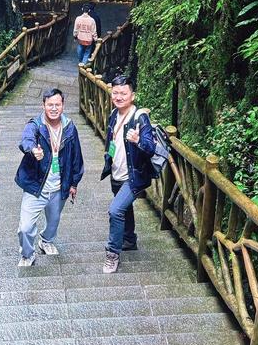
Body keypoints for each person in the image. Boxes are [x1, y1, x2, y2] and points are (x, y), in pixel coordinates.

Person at [15, 87, 84, 266]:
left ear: (63, 105)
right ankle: (27, 254)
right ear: (43, 105)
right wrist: (32, 150)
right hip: (36, 185)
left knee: (53, 221)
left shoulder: (69, 127)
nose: (54, 108)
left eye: (57, 105)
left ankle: (46, 240)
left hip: (60, 186)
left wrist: (74, 183)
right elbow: (26, 139)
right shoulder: (36, 125)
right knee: (25, 227)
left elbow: (76, 157)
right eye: (50, 104)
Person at [101, 75, 155, 273]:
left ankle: (112, 254)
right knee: (124, 207)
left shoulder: (140, 117)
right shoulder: (113, 114)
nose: (119, 97)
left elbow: (150, 148)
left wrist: (138, 140)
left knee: (115, 210)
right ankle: (129, 240)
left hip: (134, 175)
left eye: (123, 93)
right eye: (115, 93)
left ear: (132, 95)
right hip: (116, 172)